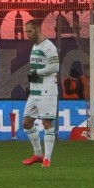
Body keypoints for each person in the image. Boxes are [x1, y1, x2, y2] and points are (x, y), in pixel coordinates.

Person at [20, 19, 60, 167]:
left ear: (37, 29)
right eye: (26, 31)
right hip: (35, 91)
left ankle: (47, 158)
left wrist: (36, 72)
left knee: (47, 123)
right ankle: (38, 154)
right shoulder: (35, 46)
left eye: (30, 31)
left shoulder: (49, 46)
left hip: (47, 91)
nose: (27, 34)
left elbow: (55, 67)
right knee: (27, 123)